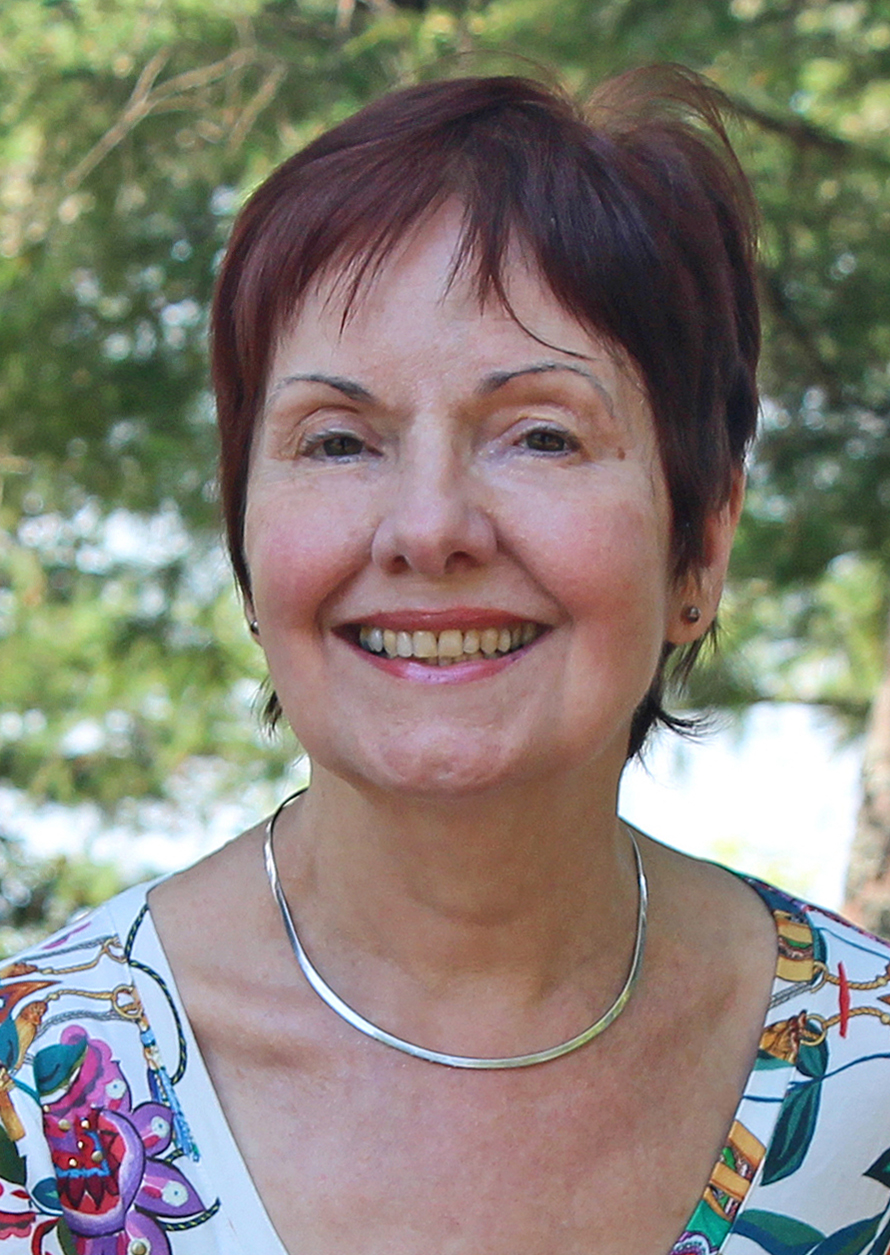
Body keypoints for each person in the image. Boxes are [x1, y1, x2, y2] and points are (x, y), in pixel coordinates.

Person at [3, 66, 890, 1255]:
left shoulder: (870, 1078)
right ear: (246, 539)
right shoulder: (32, 1105)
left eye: (539, 435)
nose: (428, 528)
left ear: (700, 545)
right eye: (336, 441)